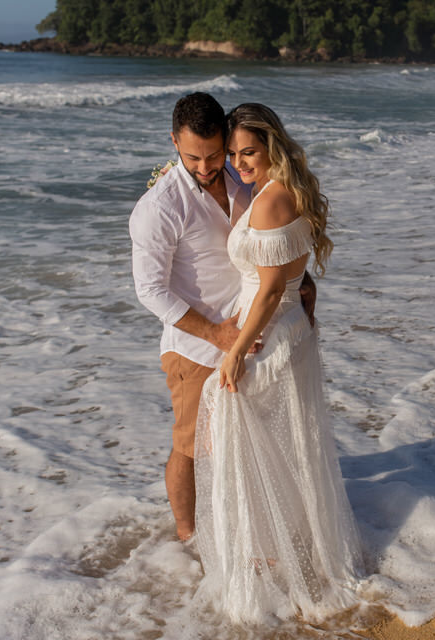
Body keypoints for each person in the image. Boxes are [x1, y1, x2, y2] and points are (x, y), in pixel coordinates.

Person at [193, 103, 362, 624]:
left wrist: (236, 351)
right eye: (235, 153)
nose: (240, 162)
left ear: (271, 146)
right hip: (288, 330)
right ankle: (288, 542)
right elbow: (290, 275)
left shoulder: (269, 203)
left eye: (249, 151)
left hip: (268, 333)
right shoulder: (286, 190)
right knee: (281, 439)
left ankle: (263, 555)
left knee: (242, 434)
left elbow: (268, 289)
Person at [129, 92, 254, 542]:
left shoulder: (243, 176)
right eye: (191, 157)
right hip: (196, 348)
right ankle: (187, 536)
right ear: (173, 142)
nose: (204, 167)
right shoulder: (159, 206)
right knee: (190, 447)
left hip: (249, 337)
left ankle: (237, 528)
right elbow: (150, 290)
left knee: (243, 443)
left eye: (214, 154)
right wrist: (217, 333)